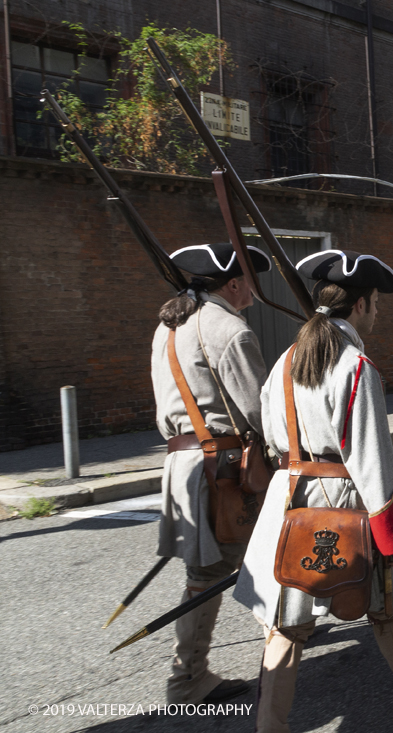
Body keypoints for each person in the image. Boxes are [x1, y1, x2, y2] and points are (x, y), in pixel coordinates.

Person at [234, 250, 393, 729]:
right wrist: (392, 536)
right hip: (344, 500)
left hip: (290, 495)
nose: (377, 312)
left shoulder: (285, 361)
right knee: (386, 599)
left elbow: (272, 434)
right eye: (376, 302)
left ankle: (269, 726)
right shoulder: (356, 365)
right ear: (360, 305)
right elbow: (372, 460)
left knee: (287, 622)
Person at [151, 242, 272, 704]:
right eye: (251, 282)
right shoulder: (229, 329)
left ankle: (281, 629)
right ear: (234, 284)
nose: (254, 291)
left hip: (184, 462)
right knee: (217, 571)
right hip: (222, 469)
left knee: (229, 563)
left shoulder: (169, 326)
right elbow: (260, 411)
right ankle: (187, 678)